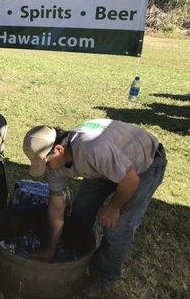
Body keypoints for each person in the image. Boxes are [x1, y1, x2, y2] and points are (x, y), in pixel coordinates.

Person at [22, 119, 166, 297]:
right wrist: (50, 248)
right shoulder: (56, 165)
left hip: (145, 163)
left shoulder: (93, 149)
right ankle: (75, 260)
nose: (46, 170)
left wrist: (113, 207)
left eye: (46, 164)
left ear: (58, 150)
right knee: (81, 211)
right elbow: (57, 208)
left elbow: (131, 180)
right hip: (104, 165)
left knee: (117, 227)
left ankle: (102, 278)